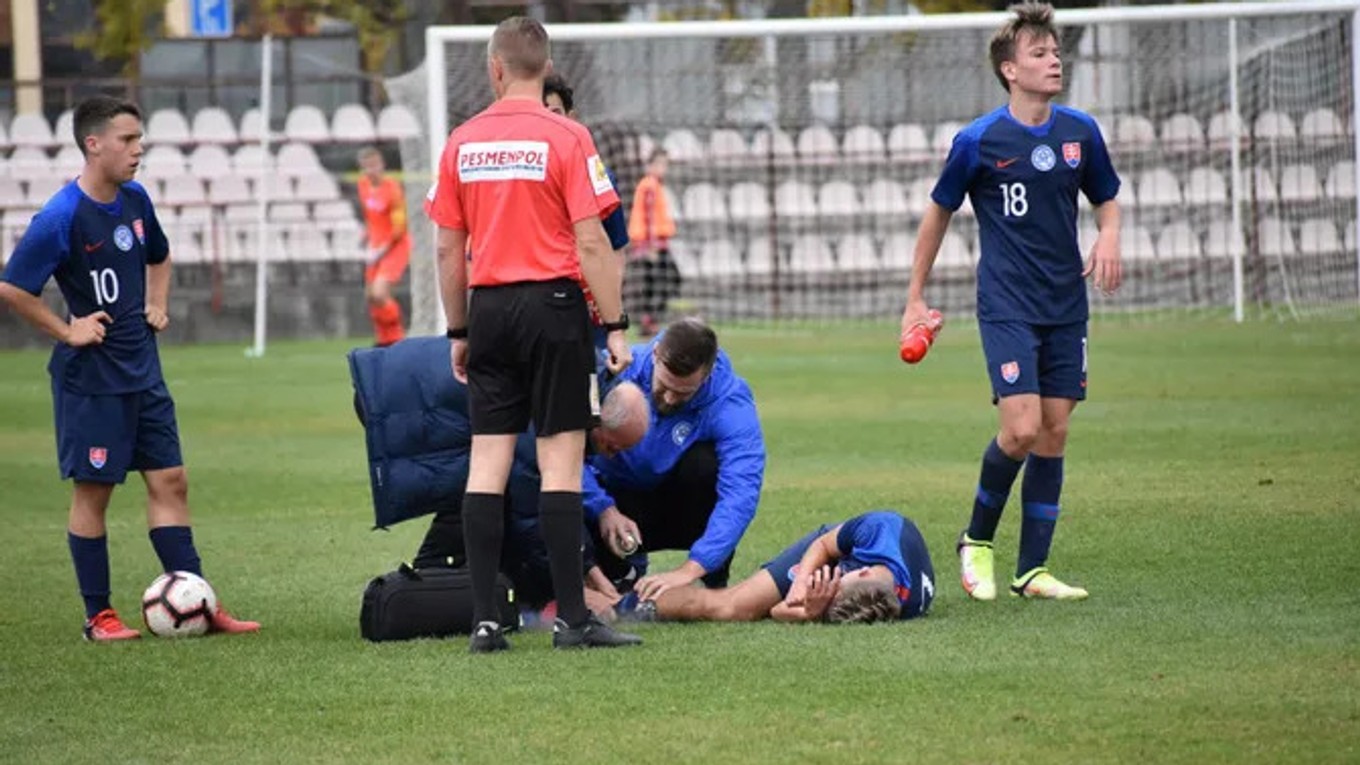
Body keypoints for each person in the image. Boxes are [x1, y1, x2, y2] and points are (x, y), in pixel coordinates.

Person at [0, 96, 259, 641]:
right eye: (127, 140)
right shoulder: (61, 216)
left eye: (140, 139)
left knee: (171, 481)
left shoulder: (137, 200)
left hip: (144, 371)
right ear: (93, 145)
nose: (138, 150)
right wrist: (66, 329)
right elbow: (12, 288)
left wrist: (156, 303)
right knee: (94, 492)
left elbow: (158, 256)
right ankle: (98, 616)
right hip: (92, 382)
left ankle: (196, 601)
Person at [424, 16, 638, 652]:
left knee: (486, 463)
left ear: (493, 68)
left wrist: (458, 327)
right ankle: (573, 619)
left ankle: (486, 621)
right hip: (554, 306)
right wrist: (615, 323)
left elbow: (445, 248)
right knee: (560, 462)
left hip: (488, 308)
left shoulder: (461, 141)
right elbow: (594, 238)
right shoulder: (568, 136)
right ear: (544, 69)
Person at [900, 2, 1122, 602]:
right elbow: (937, 213)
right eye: (1039, 53)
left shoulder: (1081, 132)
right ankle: (976, 540)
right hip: (1007, 304)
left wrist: (1109, 233)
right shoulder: (977, 141)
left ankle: (1032, 571)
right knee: (1020, 429)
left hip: (1066, 304)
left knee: (1053, 431)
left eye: (1055, 51)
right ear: (1009, 70)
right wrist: (915, 296)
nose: (1054, 61)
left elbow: (1107, 196)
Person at [348, 336, 650, 620]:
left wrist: (592, 572)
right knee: (485, 484)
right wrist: (575, 590)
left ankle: (434, 575)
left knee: (481, 479)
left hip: (407, 376)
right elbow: (534, 515)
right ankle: (427, 583)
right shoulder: (551, 419)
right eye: (612, 446)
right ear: (600, 423)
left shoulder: (589, 385)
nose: (610, 455)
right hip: (396, 397)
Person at [585, 317, 766, 602]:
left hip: (677, 504)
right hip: (612, 501)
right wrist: (602, 508)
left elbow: (741, 493)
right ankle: (615, 570)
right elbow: (563, 449)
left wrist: (691, 569)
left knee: (705, 465)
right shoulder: (614, 369)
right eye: (664, 386)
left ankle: (713, 579)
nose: (669, 399)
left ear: (706, 375)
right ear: (656, 354)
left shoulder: (730, 401)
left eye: (682, 393)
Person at [615, 510, 934, 625]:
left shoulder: (878, 606)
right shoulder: (879, 529)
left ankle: (627, 606)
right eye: (838, 579)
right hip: (827, 547)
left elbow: (780, 612)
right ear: (862, 571)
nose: (832, 583)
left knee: (748, 612)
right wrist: (802, 583)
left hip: (849, 583)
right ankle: (625, 606)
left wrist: (809, 612)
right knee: (730, 605)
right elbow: (823, 547)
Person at [356, 146, 410, 347]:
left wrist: (381, 250)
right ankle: (384, 338)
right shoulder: (362, 185)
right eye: (367, 166)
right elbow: (371, 218)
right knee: (370, 296)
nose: (371, 170)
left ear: (382, 165)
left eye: (375, 165)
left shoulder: (393, 189)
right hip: (375, 246)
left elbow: (399, 227)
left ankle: (397, 336)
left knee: (380, 293)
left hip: (395, 247)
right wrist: (367, 238)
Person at [626, 148, 678, 337]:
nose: (663, 168)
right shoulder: (649, 185)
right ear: (650, 165)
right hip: (651, 245)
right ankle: (649, 320)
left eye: (665, 164)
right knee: (662, 281)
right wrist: (651, 245)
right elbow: (648, 217)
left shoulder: (653, 184)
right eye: (659, 164)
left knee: (656, 282)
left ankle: (650, 320)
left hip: (654, 243)